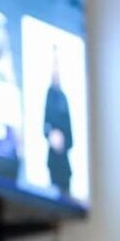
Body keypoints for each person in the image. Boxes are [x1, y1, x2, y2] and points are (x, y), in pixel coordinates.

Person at [43, 52, 73, 195]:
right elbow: (45, 125)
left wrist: (64, 142)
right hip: (53, 160)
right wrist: (51, 135)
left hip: (64, 162)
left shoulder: (64, 97)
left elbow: (70, 132)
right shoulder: (49, 95)